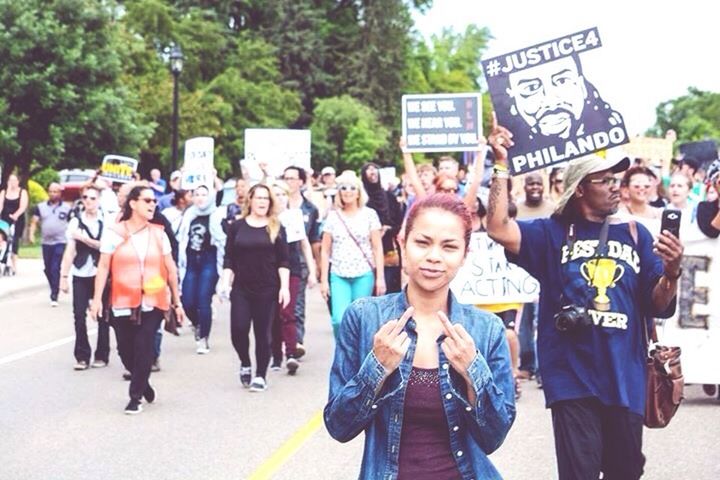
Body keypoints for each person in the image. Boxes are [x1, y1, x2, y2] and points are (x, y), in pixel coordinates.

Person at [485, 118, 683, 480]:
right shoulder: (550, 233)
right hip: (570, 377)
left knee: (626, 471)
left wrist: (671, 272)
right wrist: (500, 164)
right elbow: (498, 227)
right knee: (580, 473)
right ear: (578, 188)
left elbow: (658, 304)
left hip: (625, 375)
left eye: (616, 181)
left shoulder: (637, 234)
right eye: (604, 180)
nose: (614, 188)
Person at [324, 193, 516, 479]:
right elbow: (339, 426)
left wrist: (473, 370)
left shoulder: (486, 330)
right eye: (422, 242)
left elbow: (493, 437)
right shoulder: (364, 317)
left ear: (465, 255)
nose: (434, 256)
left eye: (449, 247)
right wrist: (376, 368)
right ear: (403, 243)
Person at [90, 185, 184, 415]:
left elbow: (171, 269)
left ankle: (134, 397)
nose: (153, 205)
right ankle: (145, 385)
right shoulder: (115, 232)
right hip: (122, 299)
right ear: (133, 204)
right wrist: (97, 300)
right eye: (147, 200)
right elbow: (103, 267)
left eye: (154, 201)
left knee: (144, 346)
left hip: (153, 300)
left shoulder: (159, 233)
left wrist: (177, 302)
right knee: (125, 350)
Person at [219, 184, 290, 392]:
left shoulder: (276, 227)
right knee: (238, 330)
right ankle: (245, 362)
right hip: (241, 287)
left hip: (267, 288)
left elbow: (284, 261)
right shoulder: (237, 227)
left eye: (266, 198)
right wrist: (225, 282)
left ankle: (260, 375)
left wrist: (284, 287)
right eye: (258, 198)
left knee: (262, 333)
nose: (262, 202)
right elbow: (229, 258)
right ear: (250, 200)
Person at [320, 171, 385, 338]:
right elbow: (325, 250)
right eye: (343, 188)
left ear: (358, 192)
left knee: (359, 319)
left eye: (352, 188)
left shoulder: (369, 214)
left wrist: (380, 278)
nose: (347, 191)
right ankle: (342, 354)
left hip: (363, 273)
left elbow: (377, 247)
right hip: (339, 274)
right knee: (339, 319)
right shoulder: (333, 217)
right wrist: (323, 281)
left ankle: (357, 357)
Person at [504, 54, 623, 142]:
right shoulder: (514, 151)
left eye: (562, 81)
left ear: (582, 87)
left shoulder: (606, 150)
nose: (550, 101)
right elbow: (499, 174)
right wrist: (500, 162)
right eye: (531, 88)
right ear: (513, 102)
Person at [59, 185, 110, 370]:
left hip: (99, 273)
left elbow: (105, 246)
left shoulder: (106, 222)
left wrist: (84, 239)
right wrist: (63, 276)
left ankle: (102, 354)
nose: (89, 201)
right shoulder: (75, 223)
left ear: (99, 201)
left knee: (103, 315)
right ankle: (82, 355)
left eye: (93, 198)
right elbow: (70, 250)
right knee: (79, 315)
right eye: (86, 198)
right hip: (80, 272)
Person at [270, 181, 317, 374]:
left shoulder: (293, 217)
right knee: (273, 313)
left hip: (293, 269)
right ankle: (275, 354)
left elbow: (305, 245)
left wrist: (313, 271)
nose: (280, 198)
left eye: (283, 195)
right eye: (276, 195)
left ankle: (291, 352)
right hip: (269, 271)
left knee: (288, 311)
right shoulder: (267, 219)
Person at [176, 185, 226, 354]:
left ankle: (204, 338)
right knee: (188, 301)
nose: (200, 198)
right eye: (196, 194)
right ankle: (198, 324)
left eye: (204, 194)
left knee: (203, 299)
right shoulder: (188, 215)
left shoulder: (218, 215)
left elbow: (223, 240)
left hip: (209, 260)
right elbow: (181, 239)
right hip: (191, 260)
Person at [281, 166, 320, 358]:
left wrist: (315, 269)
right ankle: (280, 341)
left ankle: (296, 342)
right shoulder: (277, 205)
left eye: (292, 178)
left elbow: (312, 241)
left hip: (299, 263)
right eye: (286, 178)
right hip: (277, 263)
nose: (289, 181)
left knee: (297, 304)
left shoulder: (310, 209)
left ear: (301, 182)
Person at [361, 162, 404, 293]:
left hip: (389, 249)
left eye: (374, 168)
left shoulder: (389, 197)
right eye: (368, 170)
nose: (372, 172)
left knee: (390, 289)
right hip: (367, 251)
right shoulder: (362, 199)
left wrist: (387, 229)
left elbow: (399, 221)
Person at [29, 182, 71, 306]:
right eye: (51, 191)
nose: (53, 194)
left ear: (60, 193)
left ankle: (54, 294)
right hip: (46, 242)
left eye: (55, 191)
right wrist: (31, 234)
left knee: (55, 267)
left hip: (60, 241)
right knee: (47, 268)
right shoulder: (41, 207)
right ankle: (55, 284)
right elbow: (34, 222)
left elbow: (73, 223)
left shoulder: (67, 208)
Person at [618, 166, 662, 236]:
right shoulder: (619, 215)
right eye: (637, 186)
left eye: (646, 186)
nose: (642, 189)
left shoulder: (659, 214)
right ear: (627, 189)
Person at [0, 173, 29, 274]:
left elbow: (23, 206)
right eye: (10, 180)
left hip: (17, 220)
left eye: (14, 180)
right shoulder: (4, 192)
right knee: (2, 241)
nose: (12, 183)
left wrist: (15, 215)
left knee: (14, 242)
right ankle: (2, 261)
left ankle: (14, 265)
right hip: (4, 220)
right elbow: (0, 205)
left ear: (18, 181)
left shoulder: (22, 192)